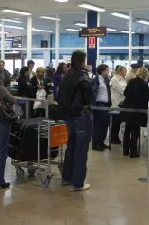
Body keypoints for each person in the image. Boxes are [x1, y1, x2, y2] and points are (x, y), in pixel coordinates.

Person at [58, 50, 92, 192]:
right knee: (81, 149)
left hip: (68, 116)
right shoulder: (83, 75)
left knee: (70, 147)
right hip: (80, 115)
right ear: (83, 61)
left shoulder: (67, 74)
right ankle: (77, 183)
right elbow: (88, 94)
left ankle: (67, 177)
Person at [122, 67, 149, 158]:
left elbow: (125, 93)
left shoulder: (131, 81)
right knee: (135, 131)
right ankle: (133, 153)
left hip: (128, 109)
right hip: (138, 110)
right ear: (146, 75)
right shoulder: (143, 84)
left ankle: (125, 151)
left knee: (127, 130)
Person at [92, 64, 111, 151]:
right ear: (102, 71)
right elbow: (92, 91)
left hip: (106, 105)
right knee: (98, 125)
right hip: (99, 105)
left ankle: (101, 142)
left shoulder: (106, 79)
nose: (108, 71)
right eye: (107, 70)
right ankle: (95, 144)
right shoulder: (96, 79)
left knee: (105, 125)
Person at [110, 66, 127, 144]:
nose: (125, 73)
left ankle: (116, 137)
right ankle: (114, 138)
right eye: (124, 71)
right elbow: (122, 90)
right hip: (116, 103)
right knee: (115, 122)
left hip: (122, 103)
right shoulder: (115, 79)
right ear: (120, 71)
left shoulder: (122, 79)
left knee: (119, 121)